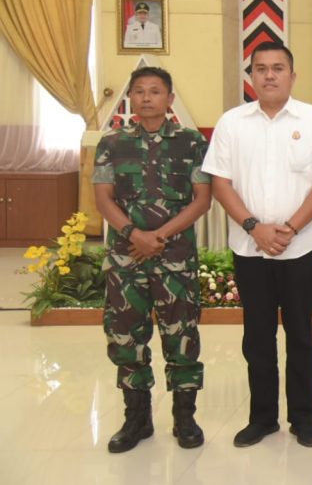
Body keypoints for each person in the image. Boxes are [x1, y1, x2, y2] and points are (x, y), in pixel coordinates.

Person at [203, 41, 312, 449]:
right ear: (251, 77)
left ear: (292, 76)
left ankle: (303, 419)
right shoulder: (232, 123)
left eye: (278, 68)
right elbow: (220, 182)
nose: (270, 75)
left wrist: (290, 228)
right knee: (257, 337)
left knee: (300, 335)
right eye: (261, 68)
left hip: (302, 247)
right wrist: (253, 227)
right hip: (250, 249)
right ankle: (262, 418)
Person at [93, 66, 211, 453]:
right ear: (130, 98)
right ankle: (137, 419)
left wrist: (158, 236)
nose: (146, 97)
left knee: (182, 337)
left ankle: (185, 418)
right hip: (126, 260)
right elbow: (103, 198)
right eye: (139, 91)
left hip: (174, 257)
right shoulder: (112, 143)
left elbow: (202, 200)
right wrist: (135, 235)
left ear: (169, 98)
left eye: (155, 91)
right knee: (126, 337)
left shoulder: (191, 142)